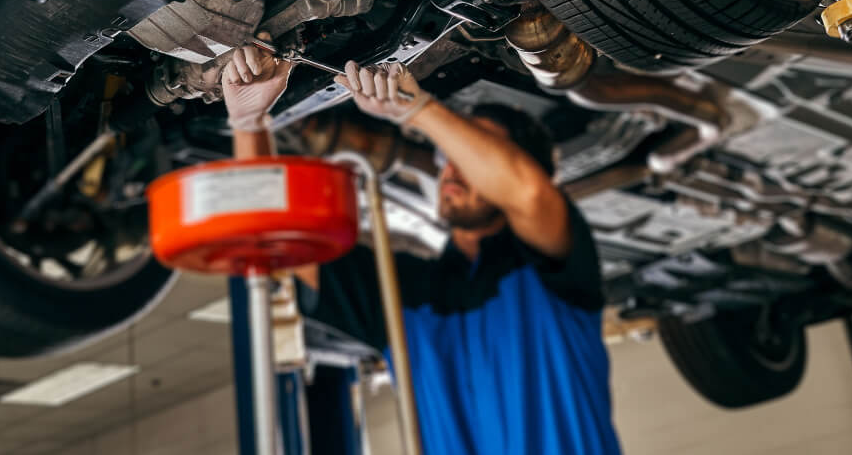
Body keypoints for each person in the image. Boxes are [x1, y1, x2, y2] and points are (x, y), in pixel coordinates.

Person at [221, 44, 623, 455]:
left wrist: (421, 111)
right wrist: (248, 121)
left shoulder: (554, 269)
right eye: (451, 154)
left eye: (476, 151)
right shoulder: (404, 297)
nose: (453, 166)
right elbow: (275, 237)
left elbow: (526, 192)